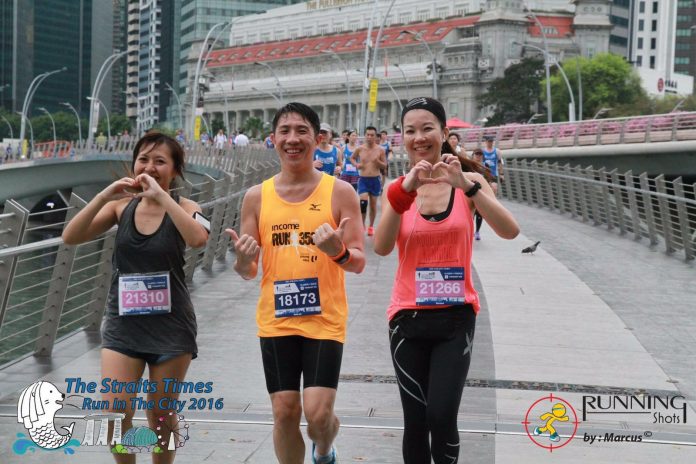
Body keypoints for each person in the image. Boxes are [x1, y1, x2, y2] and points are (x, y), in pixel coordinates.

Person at [373, 97, 519, 463]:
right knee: (416, 421)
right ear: (402, 138)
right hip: (407, 319)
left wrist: (466, 186)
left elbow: (510, 231)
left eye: (427, 129)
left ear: (443, 133)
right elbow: (382, 246)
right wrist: (403, 194)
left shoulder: (470, 183)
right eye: (410, 131)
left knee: (441, 416)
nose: (419, 137)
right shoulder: (397, 189)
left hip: (456, 319)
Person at [226, 102, 365, 464]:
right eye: (284, 131)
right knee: (285, 412)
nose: (292, 139)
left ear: (317, 139)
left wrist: (338, 252)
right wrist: (242, 258)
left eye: (302, 131)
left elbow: (359, 261)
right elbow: (248, 269)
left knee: (318, 416)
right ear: (272, 139)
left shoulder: (340, 193)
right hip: (276, 320)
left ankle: (324, 447)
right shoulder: (256, 197)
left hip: (324, 320)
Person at [62, 131, 209, 464]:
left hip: (171, 327)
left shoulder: (188, 208)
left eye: (160, 161)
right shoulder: (120, 207)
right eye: (144, 159)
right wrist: (104, 195)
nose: (150, 167)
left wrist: (163, 198)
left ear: (175, 169)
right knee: (114, 412)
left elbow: (198, 238)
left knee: (160, 414)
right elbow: (70, 236)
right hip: (123, 324)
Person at [350, 126, 386, 236]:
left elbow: (384, 165)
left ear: (375, 136)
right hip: (363, 180)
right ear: (365, 135)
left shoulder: (380, 150)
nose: (369, 137)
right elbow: (352, 158)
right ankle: (362, 226)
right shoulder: (360, 149)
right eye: (368, 135)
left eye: (372, 135)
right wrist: (356, 165)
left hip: (375, 180)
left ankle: (371, 226)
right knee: (363, 203)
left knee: (373, 205)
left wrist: (377, 162)